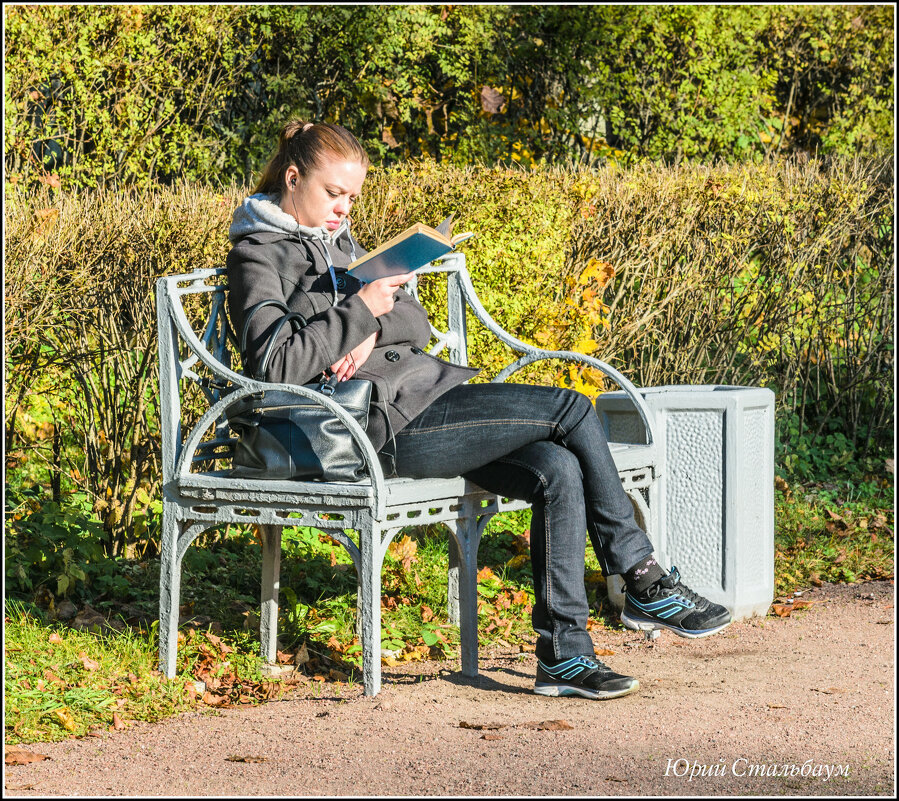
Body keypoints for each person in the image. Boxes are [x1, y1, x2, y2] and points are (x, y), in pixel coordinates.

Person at [226, 120, 733, 700]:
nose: (343, 209)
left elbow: (413, 322)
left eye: (352, 197)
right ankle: (641, 574)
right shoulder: (258, 253)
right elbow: (272, 362)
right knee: (571, 406)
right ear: (293, 179)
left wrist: (367, 322)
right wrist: (360, 312)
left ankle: (565, 657)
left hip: (424, 396)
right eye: (333, 193)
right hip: (375, 426)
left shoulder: (334, 240)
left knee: (558, 470)